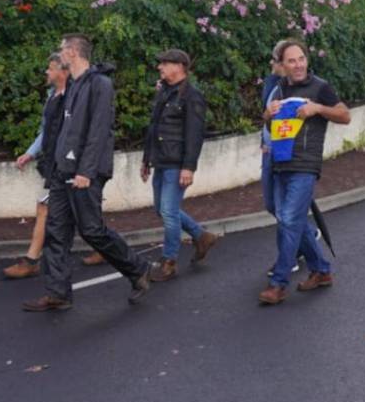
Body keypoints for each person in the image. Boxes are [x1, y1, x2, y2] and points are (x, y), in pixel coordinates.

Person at [23, 34, 153, 312]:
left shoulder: (99, 84)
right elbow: (63, 130)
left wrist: (86, 170)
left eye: (61, 50)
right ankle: (58, 293)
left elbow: (99, 130)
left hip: (85, 172)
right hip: (61, 171)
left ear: (71, 52)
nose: (58, 55)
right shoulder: (72, 86)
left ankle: (138, 268)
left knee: (92, 230)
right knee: (56, 231)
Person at [260, 40, 351, 305]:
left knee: (289, 218)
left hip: (305, 165)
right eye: (291, 61)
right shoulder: (278, 89)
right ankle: (321, 270)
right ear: (282, 65)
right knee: (289, 218)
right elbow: (270, 122)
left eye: (301, 59)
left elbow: (345, 115)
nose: (298, 65)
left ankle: (278, 283)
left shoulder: (320, 87)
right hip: (280, 163)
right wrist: (268, 113)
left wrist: (318, 109)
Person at [4, 53, 106, 278]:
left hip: (70, 166)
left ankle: (32, 261)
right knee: (81, 213)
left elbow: (83, 133)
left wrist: (82, 167)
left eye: (51, 68)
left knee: (46, 209)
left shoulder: (75, 96)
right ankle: (104, 248)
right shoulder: (52, 96)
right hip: (54, 163)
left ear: (64, 72)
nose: (46, 73)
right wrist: (30, 153)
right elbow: (46, 130)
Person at [142, 49, 221, 283]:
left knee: (168, 211)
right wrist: (147, 159)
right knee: (162, 209)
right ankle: (201, 235)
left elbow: (195, 134)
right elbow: (154, 129)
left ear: (179, 66)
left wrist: (189, 167)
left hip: (177, 164)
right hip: (161, 161)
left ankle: (169, 262)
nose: (160, 67)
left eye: (164, 64)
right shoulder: (164, 93)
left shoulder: (192, 96)